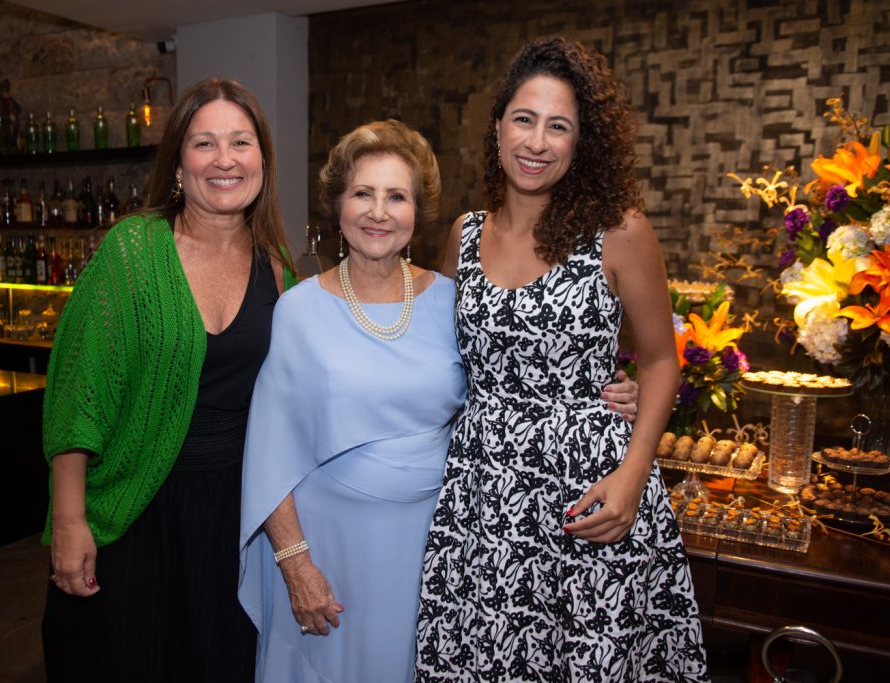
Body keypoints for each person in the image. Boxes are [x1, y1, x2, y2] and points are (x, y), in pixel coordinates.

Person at [237, 120, 639, 682]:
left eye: (396, 196)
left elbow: (511, 384)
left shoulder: (452, 301)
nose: (378, 212)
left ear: (417, 210)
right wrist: (295, 563)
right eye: (363, 194)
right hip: (329, 547)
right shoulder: (299, 309)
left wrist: (609, 393)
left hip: (440, 546)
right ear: (338, 205)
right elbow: (268, 449)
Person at [414, 37, 709, 681]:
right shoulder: (463, 236)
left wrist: (632, 479)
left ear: (581, 144)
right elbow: (439, 365)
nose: (537, 141)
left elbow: (660, 360)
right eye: (524, 119)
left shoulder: (619, 231)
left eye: (559, 127)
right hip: (483, 497)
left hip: (590, 494)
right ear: (497, 128)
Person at [41, 78, 296, 682]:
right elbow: (79, 395)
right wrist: (72, 520)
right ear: (179, 163)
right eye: (204, 143)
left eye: (241, 142)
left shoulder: (277, 267)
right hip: (137, 510)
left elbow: (284, 401)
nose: (225, 159)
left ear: (262, 159)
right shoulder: (133, 249)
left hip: (233, 519)